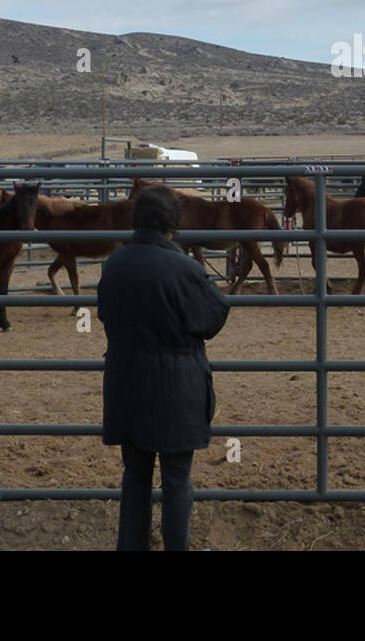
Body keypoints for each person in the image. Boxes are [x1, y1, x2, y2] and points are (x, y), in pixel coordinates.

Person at [98, 184, 229, 551]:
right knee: (176, 479)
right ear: (173, 224)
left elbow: (107, 315)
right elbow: (212, 319)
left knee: (135, 477)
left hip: (127, 384)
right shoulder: (185, 269)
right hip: (177, 388)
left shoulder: (114, 264)